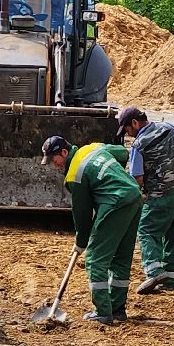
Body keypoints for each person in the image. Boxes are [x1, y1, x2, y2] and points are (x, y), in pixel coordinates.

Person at [41, 135, 141, 323]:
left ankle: (103, 311)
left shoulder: (74, 176)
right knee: (121, 256)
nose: (55, 165)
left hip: (115, 202)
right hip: (134, 195)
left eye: (54, 160)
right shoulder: (93, 148)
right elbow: (121, 152)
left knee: (95, 259)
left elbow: (82, 213)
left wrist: (81, 242)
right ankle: (117, 308)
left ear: (64, 152)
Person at [116, 106, 174, 294]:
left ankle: (154, 271)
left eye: (127, 129)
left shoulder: (139, 145)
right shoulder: (168, 127)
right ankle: (172, 281)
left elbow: (137, 178)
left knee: (147, 230)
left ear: (134, 123)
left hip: (159, 195)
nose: (128, 135)